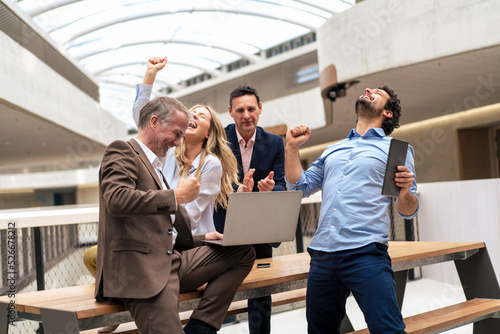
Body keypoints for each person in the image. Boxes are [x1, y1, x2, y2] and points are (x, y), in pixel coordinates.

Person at [95, 95, 255, 334]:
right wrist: (176, 196)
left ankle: (201, 327)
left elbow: (164, 225)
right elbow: (117, 200)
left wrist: (204, 238)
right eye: (177, 133)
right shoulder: (122, 150)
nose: (178, 141)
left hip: (169, 260)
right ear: (155, 122)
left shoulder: (157, 166)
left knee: (242, 252)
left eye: (182, 134)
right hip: (140, 270)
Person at [285, 86, 419, 334]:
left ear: (387, 113)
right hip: (323, 254)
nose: (368, 90)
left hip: (366, 252)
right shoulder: (333, 150)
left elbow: (407, 210)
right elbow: (300, 187)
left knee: (387, 329)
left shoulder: (397, 150)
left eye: (377, 92)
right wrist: (291, 148)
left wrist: (405, 191)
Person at [213, 85, 286, 334]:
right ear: (231, 113)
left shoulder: (275, 142)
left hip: (259, 230)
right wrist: (237, 192)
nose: (247, 115)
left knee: (261, 293)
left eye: (251, 109)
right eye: (240, 110)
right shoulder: (216, 141)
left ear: (260, 109)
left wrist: (269, 189)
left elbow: (283, 185)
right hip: (222, 228)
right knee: (215, 292)